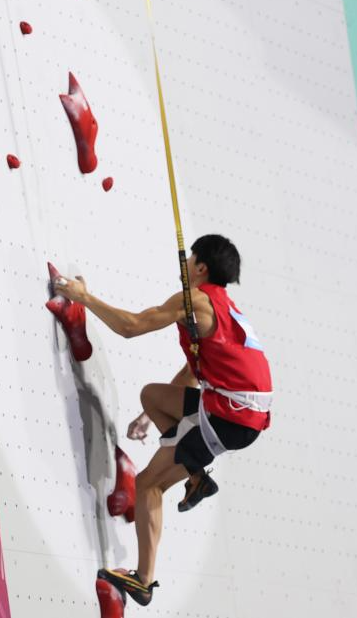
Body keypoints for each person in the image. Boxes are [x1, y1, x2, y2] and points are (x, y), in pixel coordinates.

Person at [53, 235, 272, 607]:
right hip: (237, 409)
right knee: (153, 397)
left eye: (190, 259)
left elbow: (132, 326)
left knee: (148, 484)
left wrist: (83, 297)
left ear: (200, 267)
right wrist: (147, 416)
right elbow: (195, 369)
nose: (184, 265)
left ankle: (143, 580)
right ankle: (196, 475)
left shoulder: (195, 301)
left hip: (230, 417)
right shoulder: (224, 307)